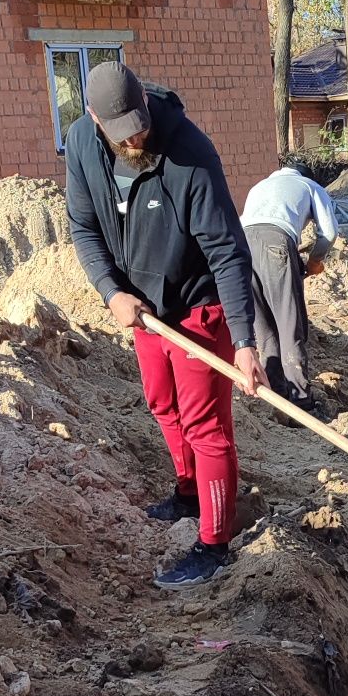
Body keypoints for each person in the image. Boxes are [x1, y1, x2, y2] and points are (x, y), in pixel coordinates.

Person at [65, 62, 265, 591]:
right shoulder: (83, 145)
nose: (134, 136)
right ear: (93, 119)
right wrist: (112, 293)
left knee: (206, 425)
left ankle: (215, 541)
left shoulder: (191, 156)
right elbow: (83, 228)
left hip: (198, 305)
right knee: (161, 403)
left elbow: (228, 252)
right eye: (120, 129)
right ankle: (188, 493)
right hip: (143, 308)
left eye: (139, 122)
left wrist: (244, 342)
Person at [239, 163, 340, 412]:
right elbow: (329, 231)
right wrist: (315, 261)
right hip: (276, 242)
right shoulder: (309, 185)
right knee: (289, 324)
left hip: (240, 246)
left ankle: (276, 394)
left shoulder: (260, 186)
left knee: (263, 327)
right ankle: (301, 402)